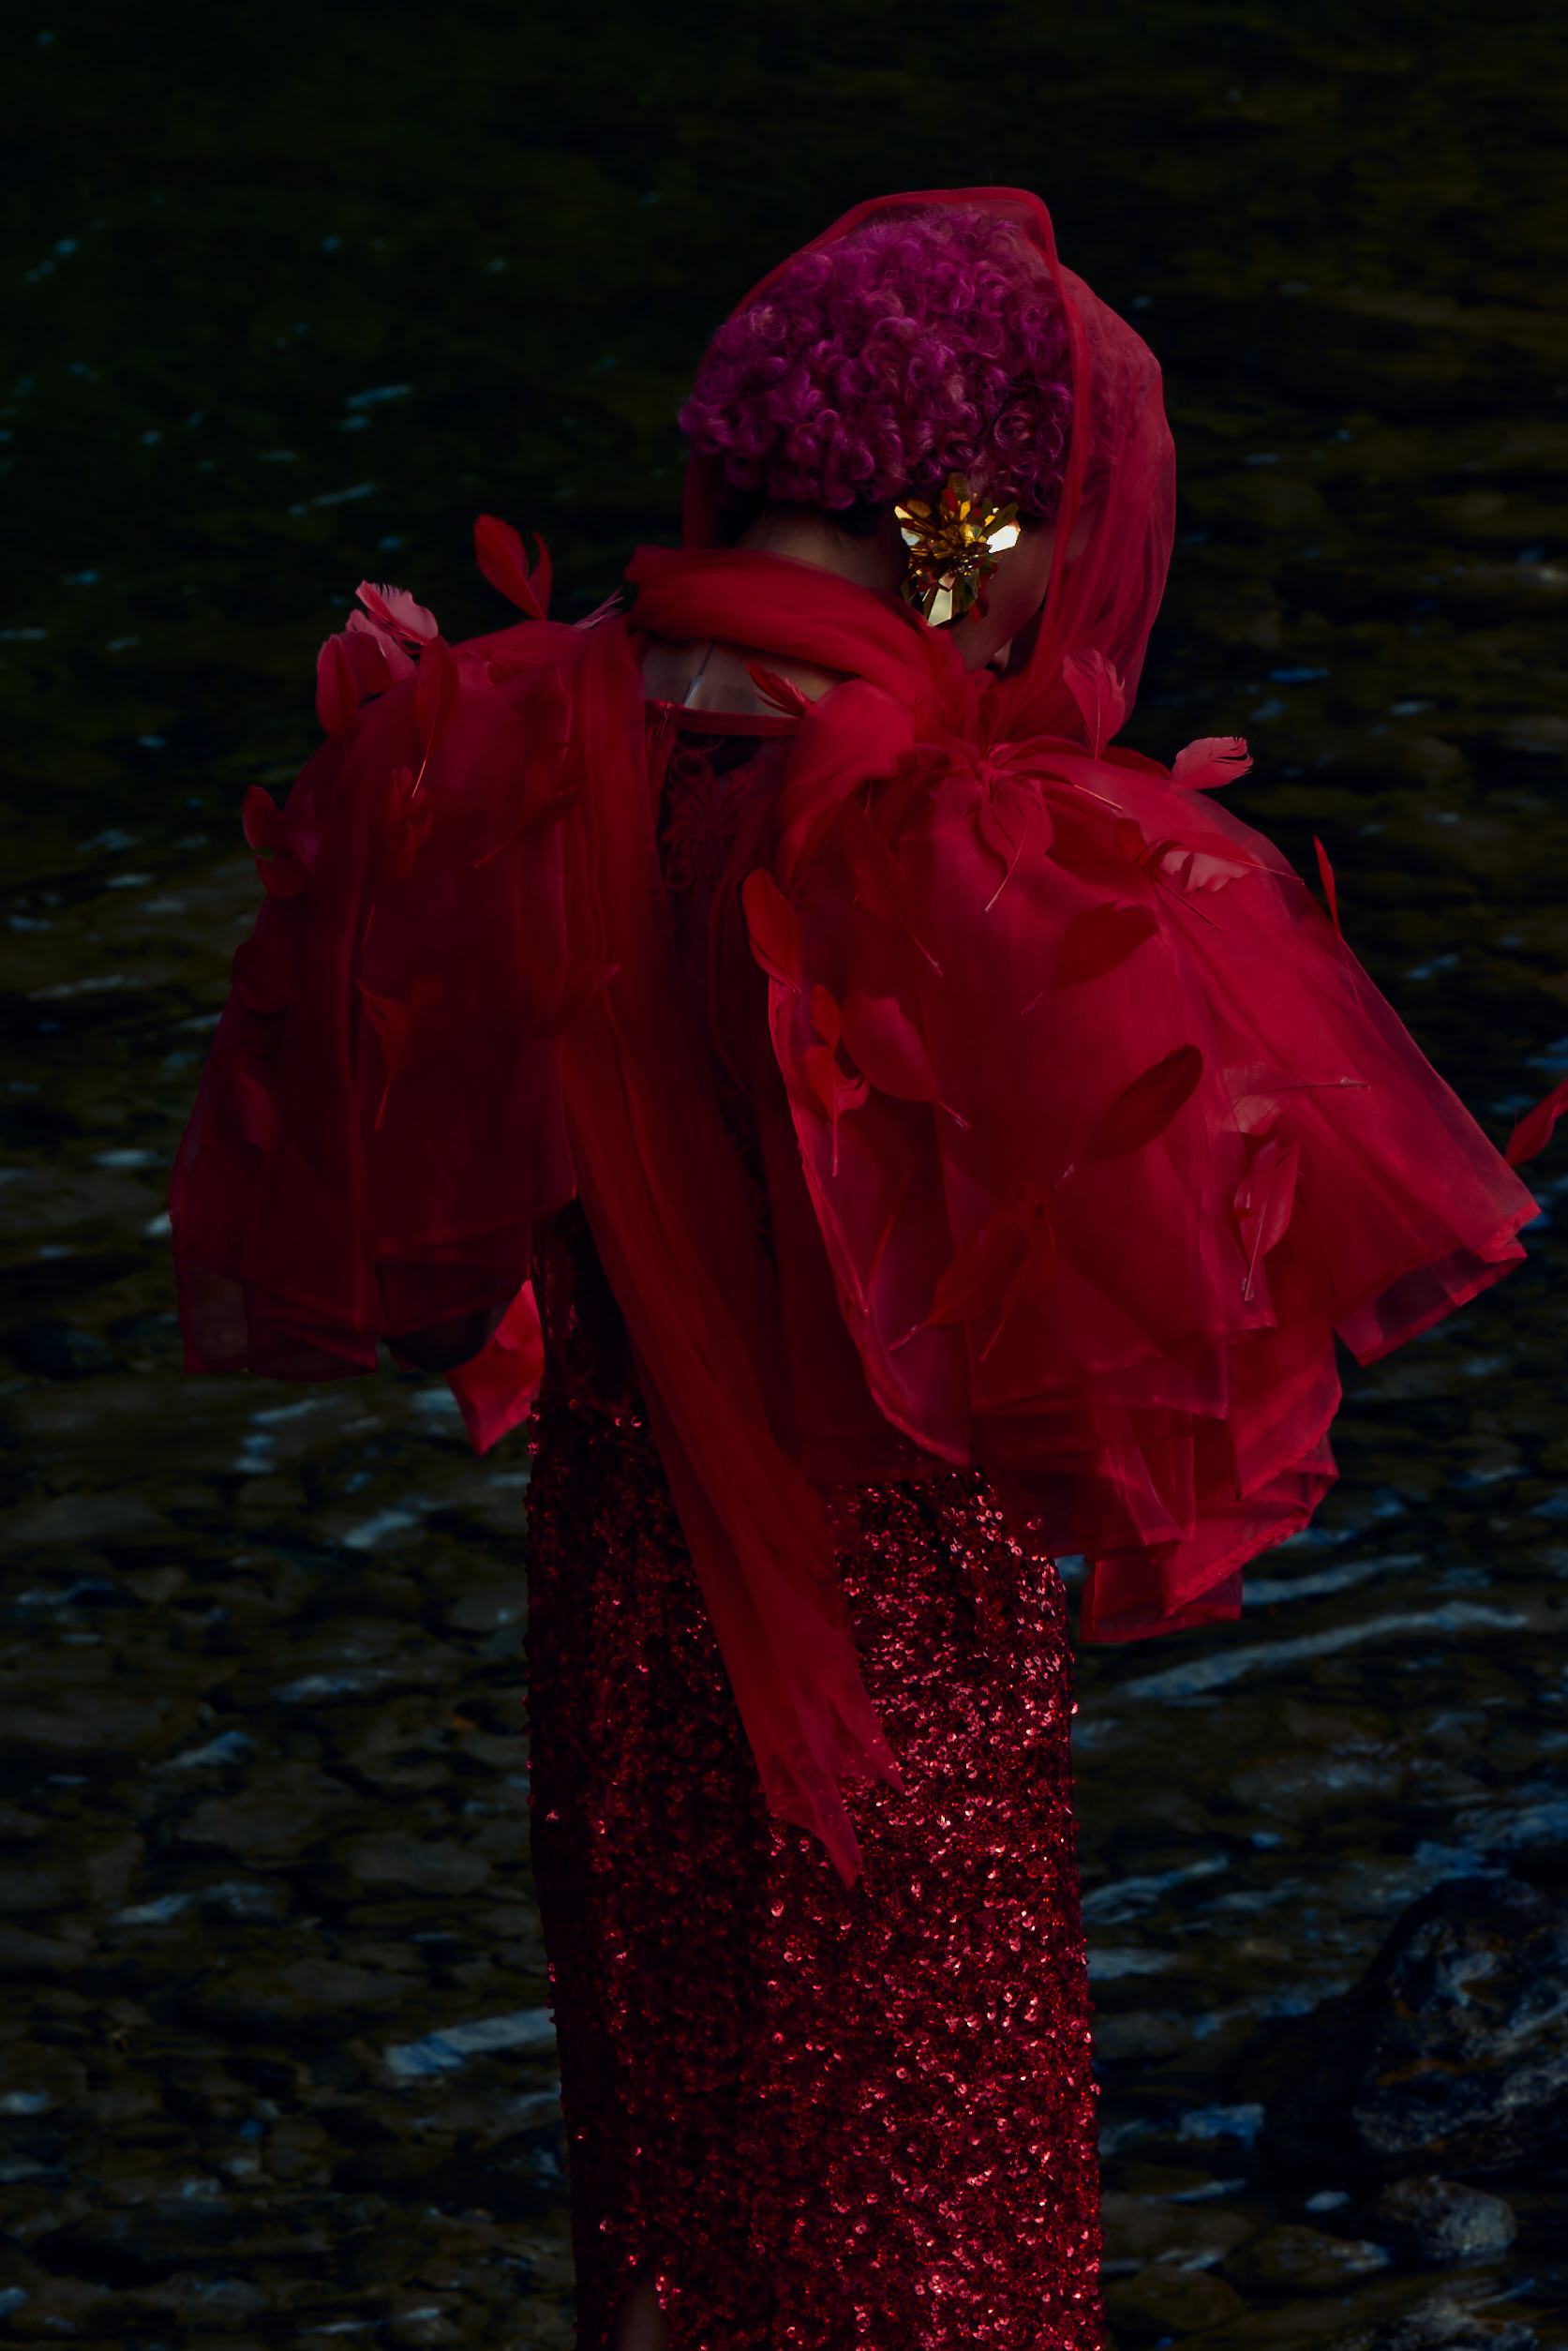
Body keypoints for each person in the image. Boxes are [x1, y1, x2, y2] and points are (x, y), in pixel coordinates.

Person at [170, 189, 1556, 2350]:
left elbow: (421, 1288)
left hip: (619, 1602)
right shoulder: (973, 847)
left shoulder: (474, 758)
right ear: (964, 524)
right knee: (930, 2212)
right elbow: (1120, 1375)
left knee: (682, 2202)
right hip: (899, 1642)